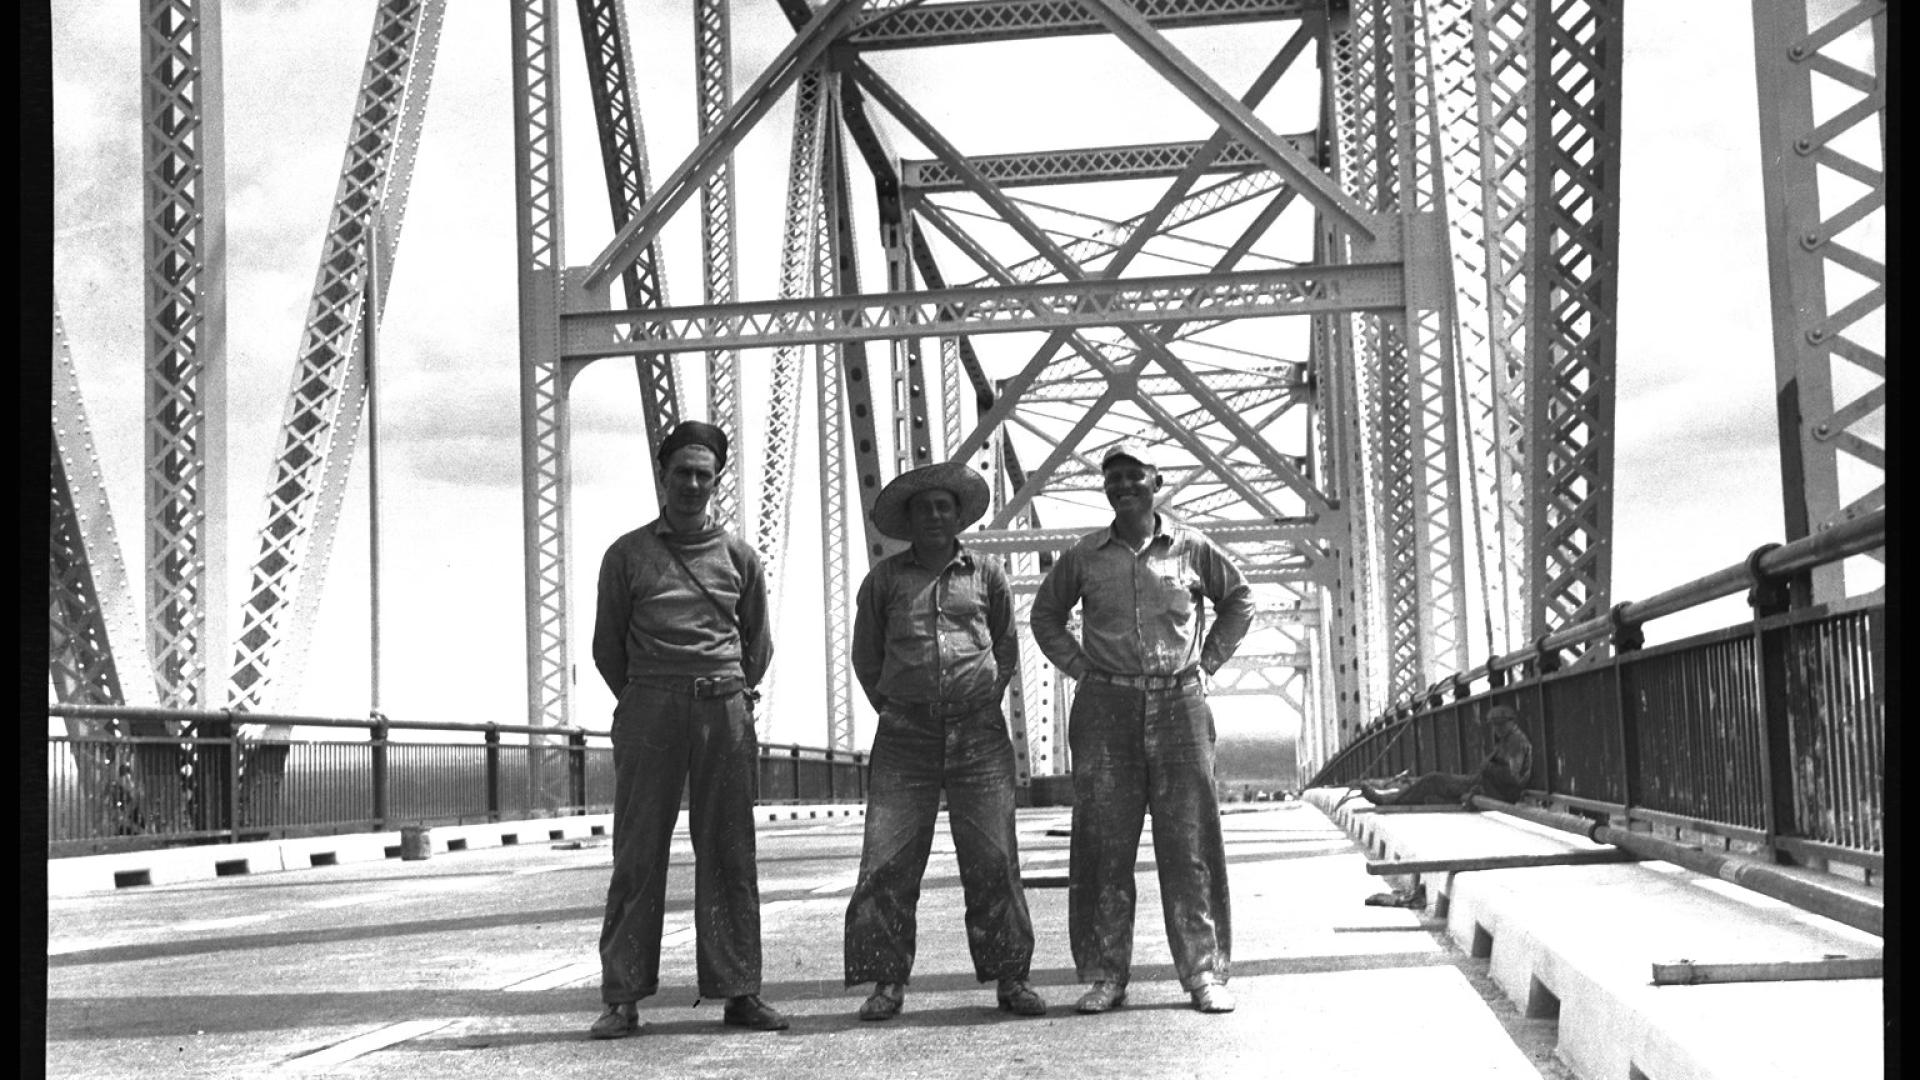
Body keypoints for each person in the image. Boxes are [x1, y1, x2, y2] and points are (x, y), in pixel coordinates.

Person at [1029, 441, 1255, 1015]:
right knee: (1104, 846)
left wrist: (1208, 660)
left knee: (1190, 843)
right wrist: (1079, 666)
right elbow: (1044, 616)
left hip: (1180, 703)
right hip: (1106, 707)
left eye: (1134, 477)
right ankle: (1106, 974)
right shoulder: (1084, 556)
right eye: (1113, 478)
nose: (1123, 486)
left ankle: (1204, 973)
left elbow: (1240, 601)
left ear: (1157, 482)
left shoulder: (1192, 548)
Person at [586, 420, 787, 1039]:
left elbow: (758, 645)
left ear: (715, 480)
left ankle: (739, 992)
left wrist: (721, 690)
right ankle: (622, 998)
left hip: (722, 707)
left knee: (730, 851)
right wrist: (651, 696)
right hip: (652, 708)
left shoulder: (739, 558)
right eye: (683, 473)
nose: (693, 484)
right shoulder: (626, 555)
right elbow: (606, 648)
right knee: (638, 852)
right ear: (663, 476)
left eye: (704, 474)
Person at [843, 461, 1048, 1021]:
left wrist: (981, 694)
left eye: (943, 507)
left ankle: (1012, 978)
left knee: (993, 856)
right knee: (887, 860)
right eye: (922, 508)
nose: (933, 515)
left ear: (957, 516)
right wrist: (894, 704)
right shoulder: (884, 581)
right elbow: (866, 656)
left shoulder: (987, 575)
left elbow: (1005, 646)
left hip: (978, 733)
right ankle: (886, 983)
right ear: (907, 520)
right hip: (904, 733)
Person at [1356, 705, 1533, 807]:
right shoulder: (1507, 740)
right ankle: (1390, 798)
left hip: (1491, 791)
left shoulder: (1516, 742)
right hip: (1484, 785)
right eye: (1495, 725)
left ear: (1510, 723)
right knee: (1432, 788)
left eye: (1500, 725)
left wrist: (1488, 767)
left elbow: (1514, 778)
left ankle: (1388, 801)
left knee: (1433, 780)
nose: (1496, 729)